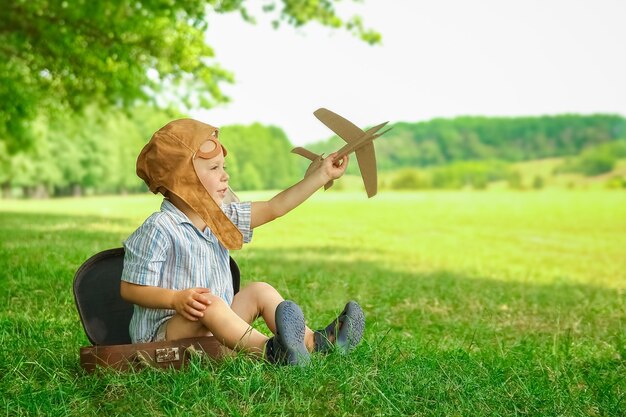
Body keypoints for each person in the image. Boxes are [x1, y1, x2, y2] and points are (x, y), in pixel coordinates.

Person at [120, 118, 365, 366]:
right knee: (209, 303)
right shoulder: (159, 228)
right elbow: (130, 289)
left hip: (215, 328)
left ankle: (313, 343)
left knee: (260, 290)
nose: (225, 176)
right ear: (182, 178)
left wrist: (321, 175)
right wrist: (175, 299)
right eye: (214, 168)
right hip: (164, 339)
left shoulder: (221, 218)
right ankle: (271, 351)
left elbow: (274, 208)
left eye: (223, 167)